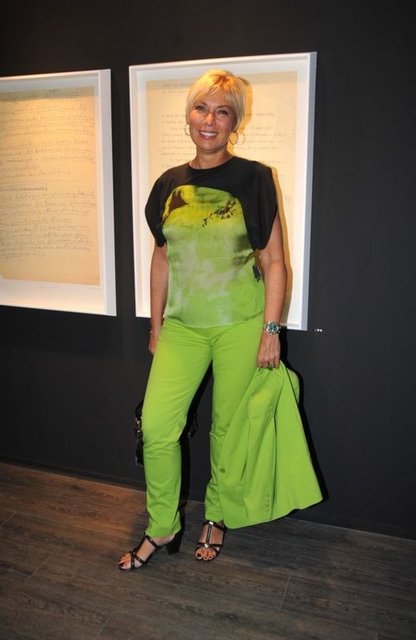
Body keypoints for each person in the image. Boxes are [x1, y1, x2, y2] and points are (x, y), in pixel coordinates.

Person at [119, 68, 287, 570]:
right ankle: (163, 525)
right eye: (201, 108)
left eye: (222, 112)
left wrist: (271, 330)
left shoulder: (255, 178)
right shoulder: (168, 183)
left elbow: (274, 260)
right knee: (157, 427)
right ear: (188, 116)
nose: (209, 120)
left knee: (226, 430)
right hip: (183, 326)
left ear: (235, 122)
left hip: (240, 323)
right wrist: (155, 326)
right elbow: (161, 258)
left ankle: (216, 514)